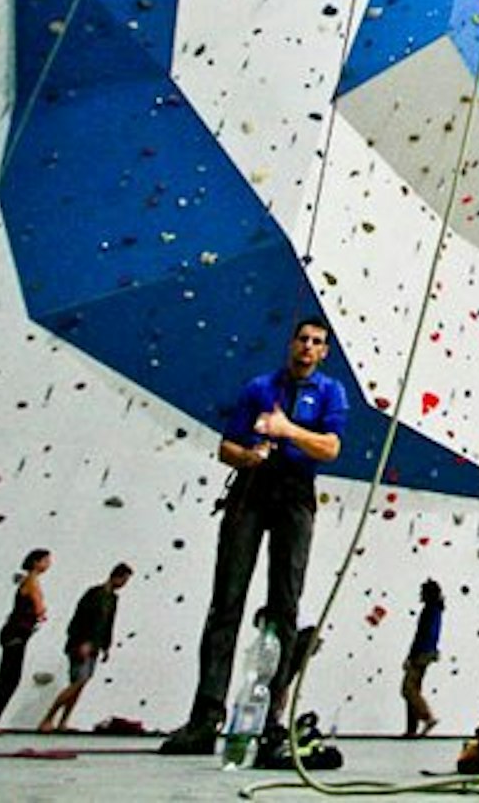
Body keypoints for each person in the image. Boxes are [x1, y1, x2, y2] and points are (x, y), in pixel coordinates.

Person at [159, 316, 345, 756]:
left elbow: (331, 448)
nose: (307, 347)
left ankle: (268, 718)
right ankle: (205, 718)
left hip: (297, 494)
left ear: (324, 353)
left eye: (317, 342)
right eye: (302, 339)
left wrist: (287, 431)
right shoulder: (259, 387)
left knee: (284, 606)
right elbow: (227, 446)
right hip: (252, 491)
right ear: (291, 344)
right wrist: (249, 455)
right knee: (226, 601)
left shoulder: (331, 392)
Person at [38, 562, 132, 732]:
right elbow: (80, 619)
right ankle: (47, 718)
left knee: (80, 684)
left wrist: (106, 646)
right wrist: (82, 642)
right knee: (78, 681)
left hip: (95, 645)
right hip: (81, 643)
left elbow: (108, 624)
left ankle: (63, 722)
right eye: (124, 580)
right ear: (116, 576)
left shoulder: (113, 599)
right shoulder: (94, 594)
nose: (124, 585)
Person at [0, 548, 50, 731]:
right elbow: (39, 609)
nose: (48, 564)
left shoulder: (29, 581)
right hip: (16, 633)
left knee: (7, 676)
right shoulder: (32, 582)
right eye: (45, 560)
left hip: (16, 632)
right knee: (8, 677)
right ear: (35, 562)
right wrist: (40, 612)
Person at [400, 579, 443, 737]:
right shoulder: (436, 609)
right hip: (427, 652)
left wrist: (411, 656)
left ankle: (427, 717)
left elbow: (421, 635)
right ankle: (412, 728)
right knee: (413, 689)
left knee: (408, 689)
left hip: (421, 653)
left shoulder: (430, 610)